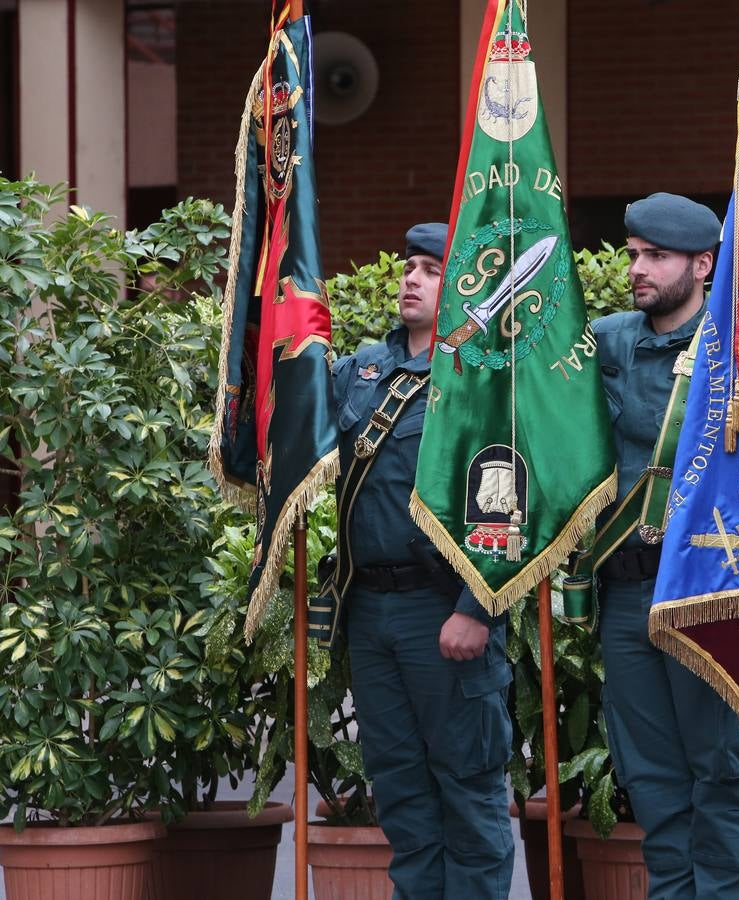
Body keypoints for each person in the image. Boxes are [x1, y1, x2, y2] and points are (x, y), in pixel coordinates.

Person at [588, 193, 739, 898]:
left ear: (703, 264)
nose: (638, 269)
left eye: (655, 257)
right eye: (633, 254)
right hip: (627, 591)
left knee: (720, 777)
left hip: (708, 590)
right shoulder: (604, 342)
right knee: (652, 782)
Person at [328, 223, 513, 899]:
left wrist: (476, 607)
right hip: (370, 611)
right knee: (400, 789)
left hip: (444, 611)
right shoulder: (359, 373)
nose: (411, 278)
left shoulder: (482, 379)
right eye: (409, 266)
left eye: (432, 270)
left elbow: (506, 503)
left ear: (465, 286)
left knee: (467, 789)